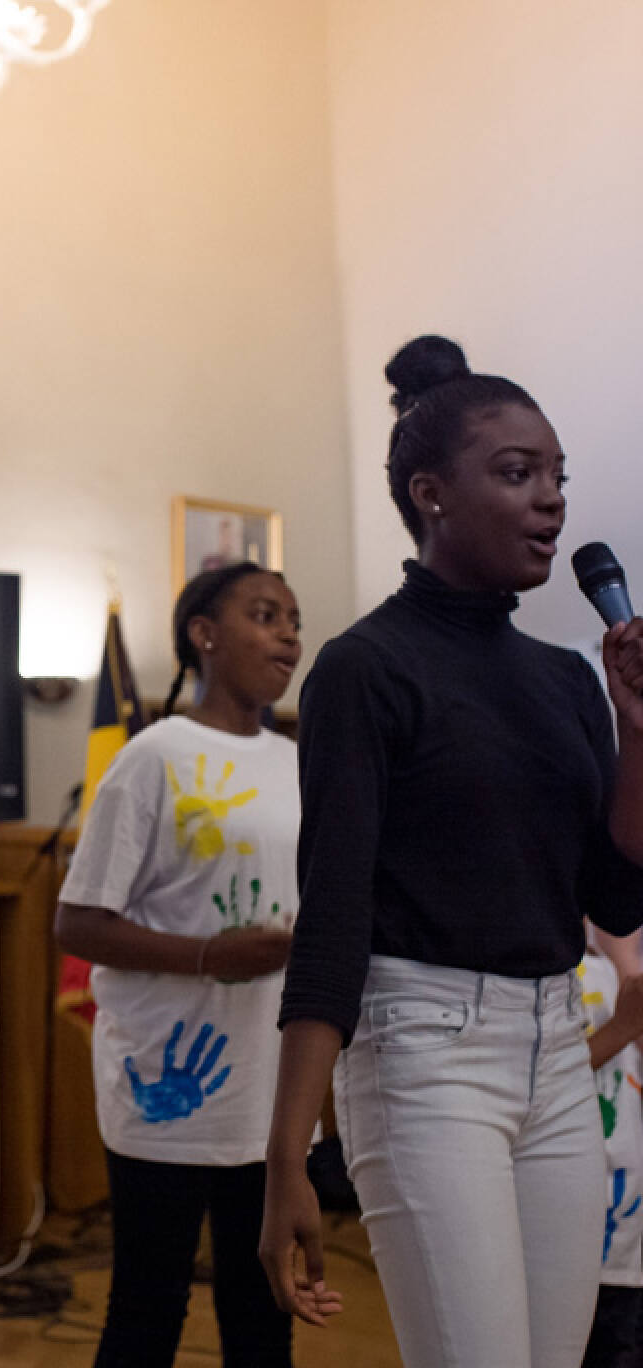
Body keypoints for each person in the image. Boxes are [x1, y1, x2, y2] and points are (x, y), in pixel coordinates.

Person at [259, 334, 643, 1368]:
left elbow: (615, 897)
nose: (551, 500)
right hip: (424, 1054)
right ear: (430, 494)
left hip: (556, 1047)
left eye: (558, 477)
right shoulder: (366, 668)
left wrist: (636, 732)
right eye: (518, 474)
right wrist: (287, 1155)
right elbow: (332, 917)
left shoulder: (566, 680)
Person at [55, 561, 331, 1368]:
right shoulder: (155, 756)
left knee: (263, 1311)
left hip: (270, 1081)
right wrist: (211, 955)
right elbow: (77, 922)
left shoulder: (301, 762)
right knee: (149, 1308)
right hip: (168, 1080)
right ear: (203, 635)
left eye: (294, 620)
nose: (289, 636)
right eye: (265, 615)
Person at [581, 930, 643, 1368]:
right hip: (570, 1227)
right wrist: (622, 1027)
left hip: (624, 1233)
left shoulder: (607, 967)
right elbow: (546, 1078)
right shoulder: (551, 971)